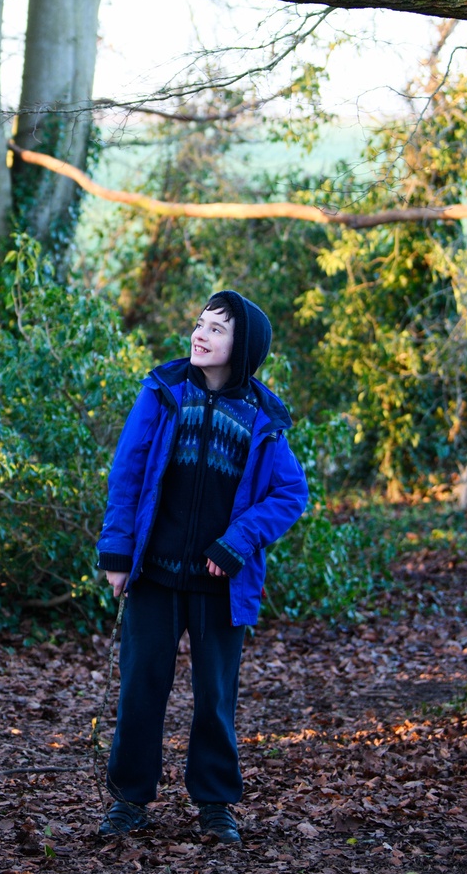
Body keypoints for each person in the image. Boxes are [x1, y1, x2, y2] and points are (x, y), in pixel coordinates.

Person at [95, 290, 309, 845]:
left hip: (221, 586)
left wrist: (237, 542)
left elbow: (291, 494)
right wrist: (117, 551)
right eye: (200, 323)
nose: (200, 334)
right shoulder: (163, 391)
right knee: (141, 689)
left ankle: (215, 805)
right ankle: (129, 801)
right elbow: (128, 470)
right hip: (154, 575)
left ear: (243, 348)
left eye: (217, 329)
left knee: (214, 697)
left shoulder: (262, 417)